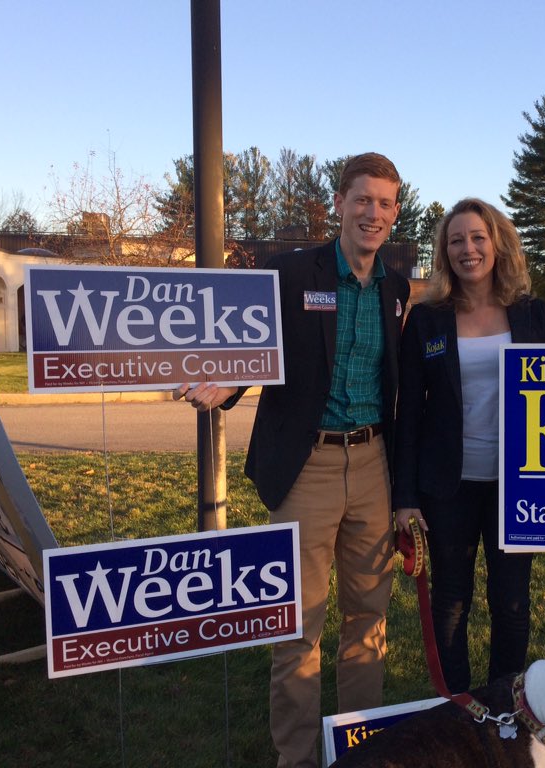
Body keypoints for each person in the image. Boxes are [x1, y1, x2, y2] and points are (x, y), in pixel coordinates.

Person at [175, 152, 410, 768]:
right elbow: (247, 352)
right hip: (307, 465)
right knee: (296, 626)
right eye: (363, 199)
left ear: (394, 212)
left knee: (368, 622)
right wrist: (224, 384)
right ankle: (298, 758)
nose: (373, 213)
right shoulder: (287, 274)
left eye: (385, 203)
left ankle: (361, 750)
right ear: (339, 203)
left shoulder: (397, 285)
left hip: (375, 466)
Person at [392, 198, 545, 694]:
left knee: (511, 602)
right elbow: (410, 415)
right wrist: (404, 497)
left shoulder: (531, 314)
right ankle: (457, 705)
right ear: (445, 252)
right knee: (451, 598)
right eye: (456, 240)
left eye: (477, 238)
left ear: (497, 243)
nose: (468, 249)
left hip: (519, 482)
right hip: (448, 484)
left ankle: (505, 700)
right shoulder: (427, 320)